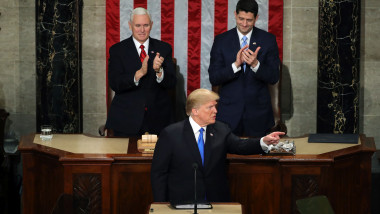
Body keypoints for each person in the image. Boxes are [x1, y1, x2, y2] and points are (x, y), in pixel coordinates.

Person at [151, 88, 284, 203]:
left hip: (216, 200)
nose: (215, 111)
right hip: (182, 202)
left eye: (215, 106)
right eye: (210, 107)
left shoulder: (221, 129)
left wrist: (263, 141)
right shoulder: (171, 134)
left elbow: (240, 145)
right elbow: (159, 173)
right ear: (195, 111)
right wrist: (160, 205)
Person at [208, 0, 280, 137]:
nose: (244, 24)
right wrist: (235, 65)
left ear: (256, 18)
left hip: (259, 115)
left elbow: (274, 76)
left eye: (249, 20)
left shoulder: (268, 40)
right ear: (235, 14)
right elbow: (214, 77)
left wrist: (256, 65)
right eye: (241, 19)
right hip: (229, 115)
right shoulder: (221, 40)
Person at [105, 7, 176, 136]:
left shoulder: (164, 48)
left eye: (146, 25)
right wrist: (138, 74)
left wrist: (159, 71)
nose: (142, 30)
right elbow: (115, 83)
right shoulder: (117, 50)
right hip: (126, 119)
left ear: (152, 25)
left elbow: (172, 83)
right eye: (138, 25)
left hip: (159, 119)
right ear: (130, 25)